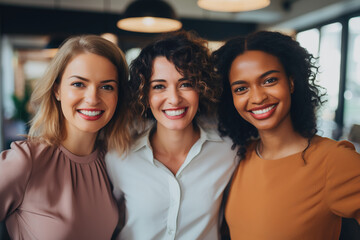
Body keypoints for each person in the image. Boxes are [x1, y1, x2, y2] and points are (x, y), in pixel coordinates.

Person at [212, 30, 360, 240]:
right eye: (241, 88)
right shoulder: (241, 157)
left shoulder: (333, 160)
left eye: (269, 80)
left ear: (291, 82)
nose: (257, 97)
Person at [106, 30, 237, 240]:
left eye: (185, 84)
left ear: (201, 88)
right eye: (159, 86)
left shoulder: (229, 151)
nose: (174, 99)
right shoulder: (119, 156)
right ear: (144, 94)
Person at [0, 35, 131, 239]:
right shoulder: (27, 161)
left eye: (106, 87)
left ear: (118, 95)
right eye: (79, 84)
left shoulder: (113, 162)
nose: (92, 98)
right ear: (57, 90)